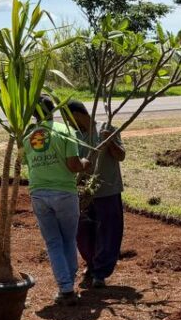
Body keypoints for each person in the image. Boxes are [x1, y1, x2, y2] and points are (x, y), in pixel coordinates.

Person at [22, 98, 92, 305]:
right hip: (64, 193)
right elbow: (73, 165)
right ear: (54, 110)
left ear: (34, 114)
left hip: (39, 195)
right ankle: (68, 285)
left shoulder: (28, 136)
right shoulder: (65, 131)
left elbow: (25, 162)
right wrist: (85, 163)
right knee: (68, 239)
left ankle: (66, 287)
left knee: (53, 242)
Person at [66, 101, 126, 289]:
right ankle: (92, 265)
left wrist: (109, 142)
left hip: (107, 191)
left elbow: (121, 155)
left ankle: (101, 272)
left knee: (108, 231)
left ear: (77, 114)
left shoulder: (106, 128)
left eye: (68, 117)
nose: (68, 122)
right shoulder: (73, 136)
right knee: (83, 233)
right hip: (83, 193)